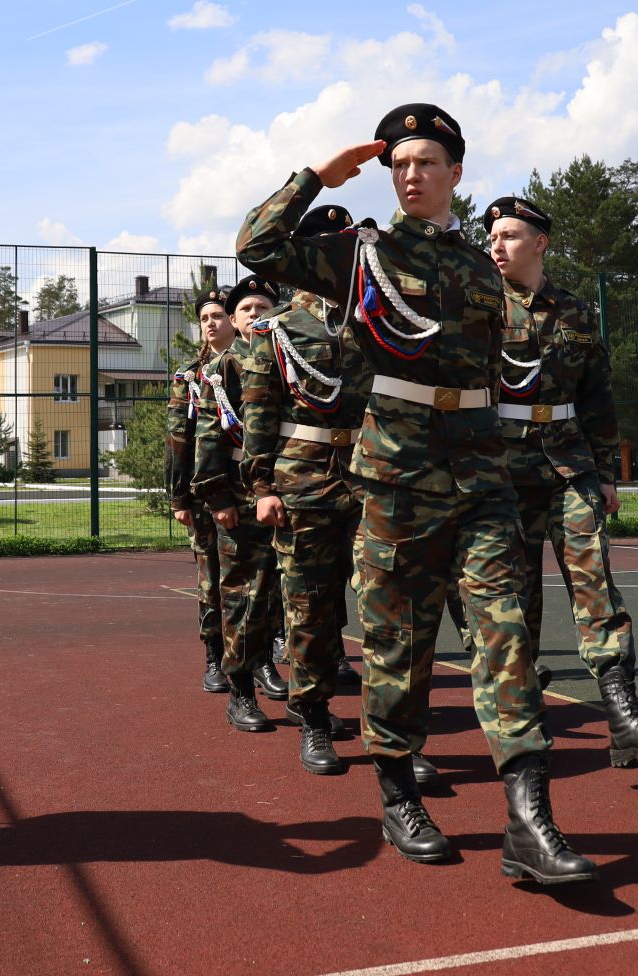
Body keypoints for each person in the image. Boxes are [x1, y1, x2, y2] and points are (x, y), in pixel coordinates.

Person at [237, 103, 595, 886]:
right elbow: (256, 246)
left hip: (481, 477)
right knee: (400, 648)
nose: (411, 175)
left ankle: (530, 820)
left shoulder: (475, 267)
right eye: (400, 164)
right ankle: (398, 796)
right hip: (397, 479)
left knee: (506, 635)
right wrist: (319, 178)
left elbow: (509, 366)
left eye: (427, 162)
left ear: (455, 175)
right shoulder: (357, 256)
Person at [485, 194, 638, 767]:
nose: (499, 246)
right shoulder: (476, 310)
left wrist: (606, 473)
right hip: (500, 472)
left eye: (512, 236)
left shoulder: (576, 312)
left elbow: (597, 398)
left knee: (595, 585)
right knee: (513, 601)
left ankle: (625, 721)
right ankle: (521, 724)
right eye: (493, 237)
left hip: (567, 465)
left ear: (540, 243)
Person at [238, 204, 367, 775]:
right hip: (303, 480)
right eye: (329, 245)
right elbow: (259, 415)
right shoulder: (279, 330)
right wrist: (261, 485)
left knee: (389, 608)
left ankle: (394, 737)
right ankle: (313, 720)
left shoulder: (377, 320)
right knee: (310, 608)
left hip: (373, 475)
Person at [190, 275, 287, 730]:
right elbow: (209, 437)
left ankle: (276, 671)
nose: (255, 315)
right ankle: (241, 691)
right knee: (242, 595)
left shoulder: (288, 356)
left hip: (289, 490)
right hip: (240, 496)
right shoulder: (225, 366)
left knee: (281, 596)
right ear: (235, 319)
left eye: (263, 306)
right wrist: (217, 496)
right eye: (246, 309)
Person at [168, 288, 231, 694]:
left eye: (218, 315)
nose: (210, 322)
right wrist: (178, 497)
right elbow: (178, 439)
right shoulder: (189, 375)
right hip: (203, 494)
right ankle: (214, 657)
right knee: (210, 578)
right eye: (205, 317)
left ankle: (263, 655)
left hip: (246, 490)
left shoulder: (258, 365)